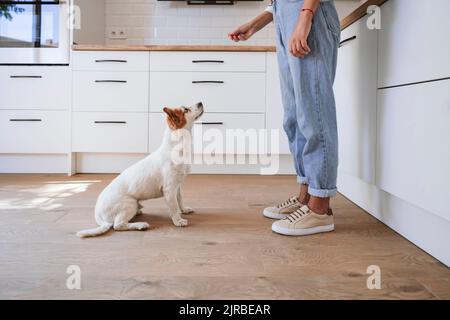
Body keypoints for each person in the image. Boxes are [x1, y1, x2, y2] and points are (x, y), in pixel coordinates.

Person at [228, 0, 341, 236]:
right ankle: (306, 197)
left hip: (309, 12)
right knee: (295, 116)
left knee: (314, 113)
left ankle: (320, 208)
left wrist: (306, 15)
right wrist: (258, 22)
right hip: (287, 16)